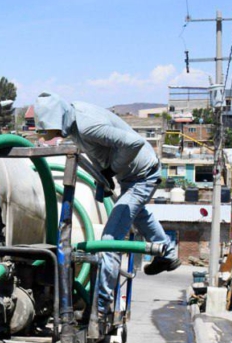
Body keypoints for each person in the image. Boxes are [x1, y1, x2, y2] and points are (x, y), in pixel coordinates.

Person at [33, 93, 180, 318]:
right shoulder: (74, 118)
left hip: (142, 176)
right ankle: (167, 253)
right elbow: (99, 149)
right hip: (132, 175)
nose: (53, 135)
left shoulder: (87, 126)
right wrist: (103, 176)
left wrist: (111, 170)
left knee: (110, 240)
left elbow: (134, 143)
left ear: (58, 119)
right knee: (138, 213)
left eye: (52, 130)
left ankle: (100, 307)